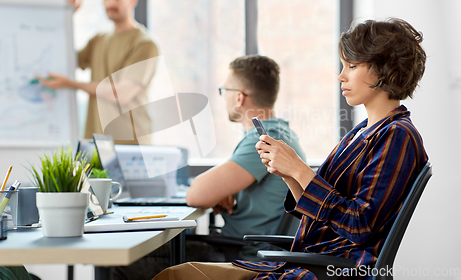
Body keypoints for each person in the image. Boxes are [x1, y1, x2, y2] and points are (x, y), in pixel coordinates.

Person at [152, 18, 429, 280]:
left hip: (326, 270)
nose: (341, 76)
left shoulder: (396, 136)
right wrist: (287, 173)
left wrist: (299, 168)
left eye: (352, 66)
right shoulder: (363, 131)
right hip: (306, 261)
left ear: (382, 69)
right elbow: (315, 211)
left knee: (175, 274)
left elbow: (358, 225)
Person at [115, 55, 305, 279]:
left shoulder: (264, 138)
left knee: (124, 262)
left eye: (224, 91)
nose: (222, 97)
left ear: (239, 97)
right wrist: (225, 191)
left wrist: (213, 191)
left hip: (244, 256)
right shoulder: (280, 133)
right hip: (249, 249)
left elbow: (196, 196)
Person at [39, 0, 159, 144]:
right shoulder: (99, 40)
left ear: (133, 0)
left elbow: (122, 94)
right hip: (96, 142)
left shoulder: (145, 44)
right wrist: (67, 14)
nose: (110, 3)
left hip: (130, 146)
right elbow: (62, 59)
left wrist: (71, 84)